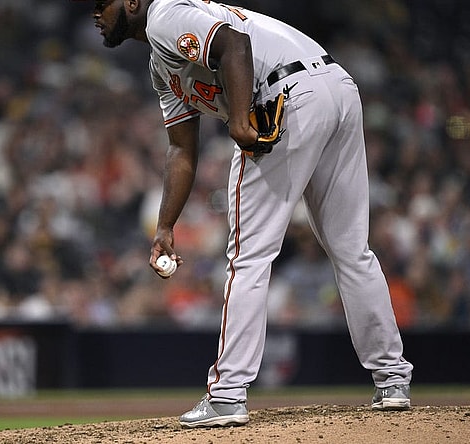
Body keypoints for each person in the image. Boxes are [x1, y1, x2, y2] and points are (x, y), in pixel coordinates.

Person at [87, 0, 413, 428]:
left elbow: (234, 45)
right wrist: (166, 224)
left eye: (102, 4)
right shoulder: (160, 65)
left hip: (284, 96)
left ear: (131, 2)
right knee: (352, 250)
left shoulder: (163, 13)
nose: (96, 14)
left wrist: (241, 121)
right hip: (335, 88)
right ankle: (392, 380)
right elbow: (182, 149)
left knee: (248, 257)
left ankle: (226, 395)